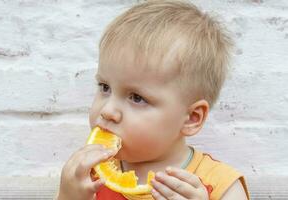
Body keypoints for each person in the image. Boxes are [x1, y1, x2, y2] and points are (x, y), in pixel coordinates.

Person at [56, 0, 250, 199]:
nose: (107, 110)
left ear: (191, 118)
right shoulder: (87, 177)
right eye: (105, 87)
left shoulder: (221, 185)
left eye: (137, 98)